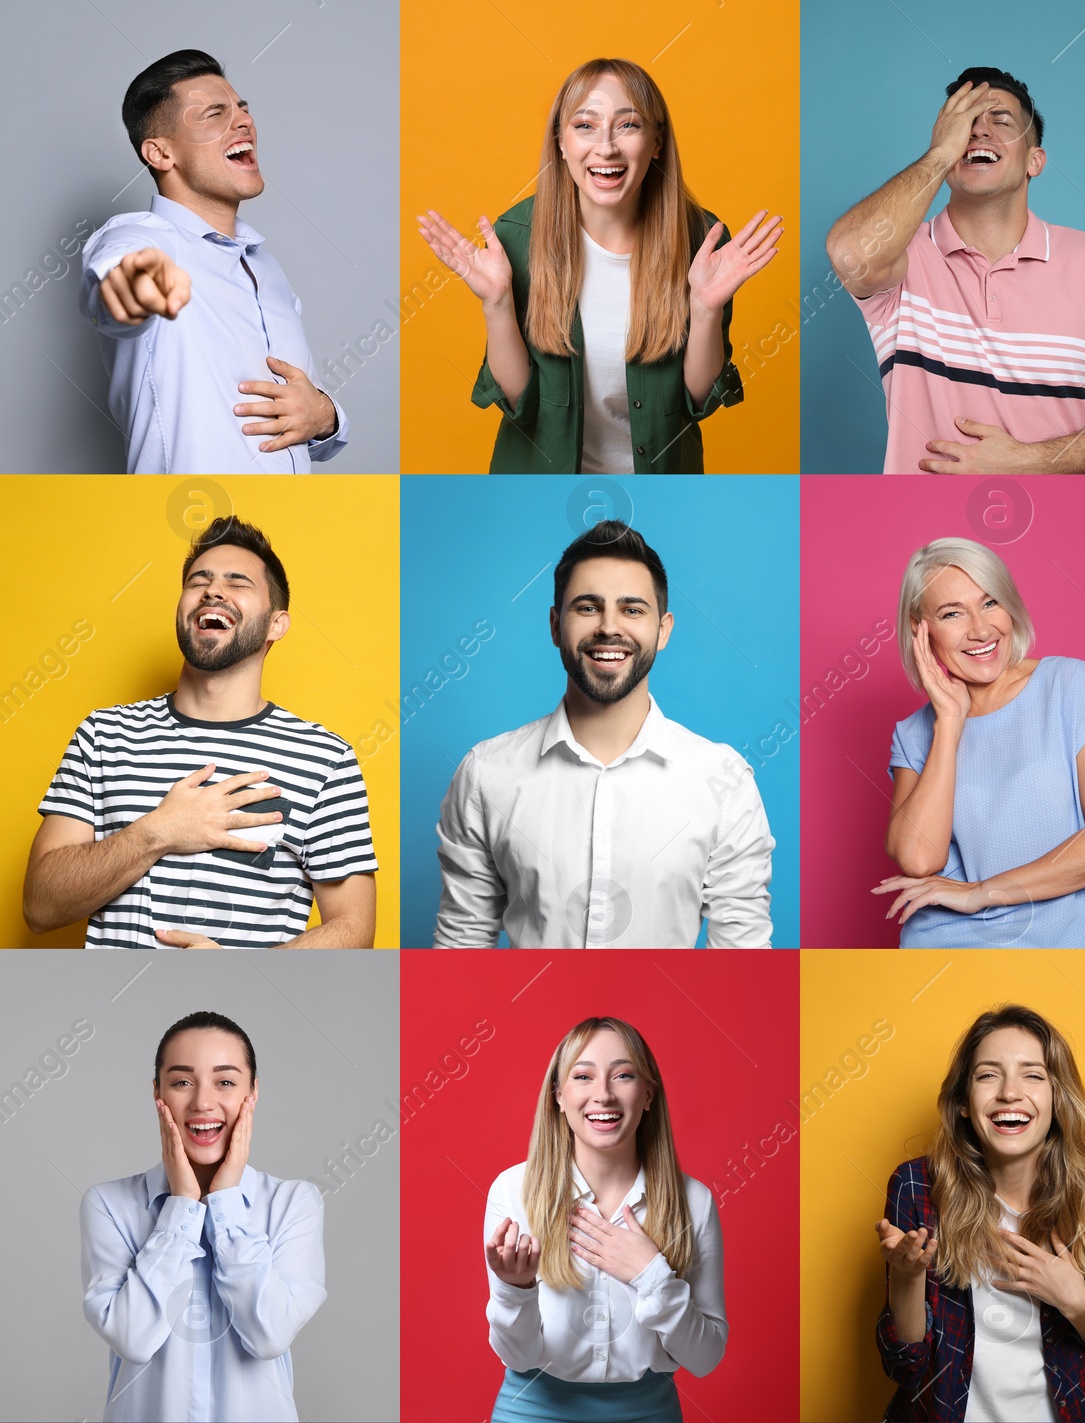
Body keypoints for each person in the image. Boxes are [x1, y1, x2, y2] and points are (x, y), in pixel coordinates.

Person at [24, 517, 378, 948]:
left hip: (242, 1011)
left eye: (238, 582)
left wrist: (242, 972)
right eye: (199, 581)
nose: (212, 590)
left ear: (276, 625)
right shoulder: (103, 735)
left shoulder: (325, 757)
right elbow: (40, 908)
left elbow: (354, 931)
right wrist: (159, 831)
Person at [418, 57, 780, 474]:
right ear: (560, 141)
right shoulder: (516, 237)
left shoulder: (704, 239)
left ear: (657, 141)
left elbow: (693, 403)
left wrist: (706, 310)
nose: (606, 147)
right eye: (584, 126)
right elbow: (522, 403)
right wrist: (497, 303)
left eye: (628, 125)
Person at [433, 520, 773, 948]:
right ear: (556, 625)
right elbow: (462, 947)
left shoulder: (724, 780)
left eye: (632, 609)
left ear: (663, 629)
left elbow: (742, 962)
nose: (609, 627)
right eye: (588, 607)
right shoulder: (486, 774)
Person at [826, 66, 1085, 475]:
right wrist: (939, 155)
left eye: (1000, 120)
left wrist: (1026, 461)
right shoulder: (903, 256)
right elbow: (850, 253)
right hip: (924, 520)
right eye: (965, 123)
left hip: (1057, 523)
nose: (979, 131)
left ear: (1035, 160)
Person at [81, 50, 349, 474]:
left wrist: (325, 414)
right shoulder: (138, 238)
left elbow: (300, 424)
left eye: (243, 109)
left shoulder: (268, 269)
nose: (243, 122)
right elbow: (117, 287)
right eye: (214, 114)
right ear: (160, 154)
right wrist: (130, 291)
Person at [875, 1005, 1085, 1422]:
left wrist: (1076, 1302)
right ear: (964, 1102)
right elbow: (906, 1366)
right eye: (987, 1075)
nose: (1009, 1092)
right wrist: (908, 1278)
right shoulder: (917, 1189)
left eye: (1033, 1075)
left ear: (1058, 1098)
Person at [874, 538, 1085, 948]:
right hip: (944, 950)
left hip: (1061, 950)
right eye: (952, 613)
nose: (980, 629)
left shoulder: (1066, 685)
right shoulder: (914, 733)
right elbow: (919, 859)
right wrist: (949, 722)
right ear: (919, 627)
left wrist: (982, 892)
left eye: (990, 602)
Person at [81, 1012, 325, 1422]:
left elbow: (269, 1336)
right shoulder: (108, 1204)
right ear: (157, 1092)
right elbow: (133, 1338)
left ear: (253, 1092)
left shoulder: (294, 1203)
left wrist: (225, 1200)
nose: (202, 1102)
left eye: (225, 1081)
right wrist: (182, 1208)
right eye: (182, 1082)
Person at [484, 1016, 724, 1422]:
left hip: (650, 1412)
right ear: (558, 1096)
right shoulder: (512, 1190)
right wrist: (514, 1290)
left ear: (648, 1094)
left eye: (623, 1075)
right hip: (532, 1410)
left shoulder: (694, 1201)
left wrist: (652, 1275)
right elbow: (517, 1356)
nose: (604, 1095)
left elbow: (705, 1358)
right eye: (583, 1076)